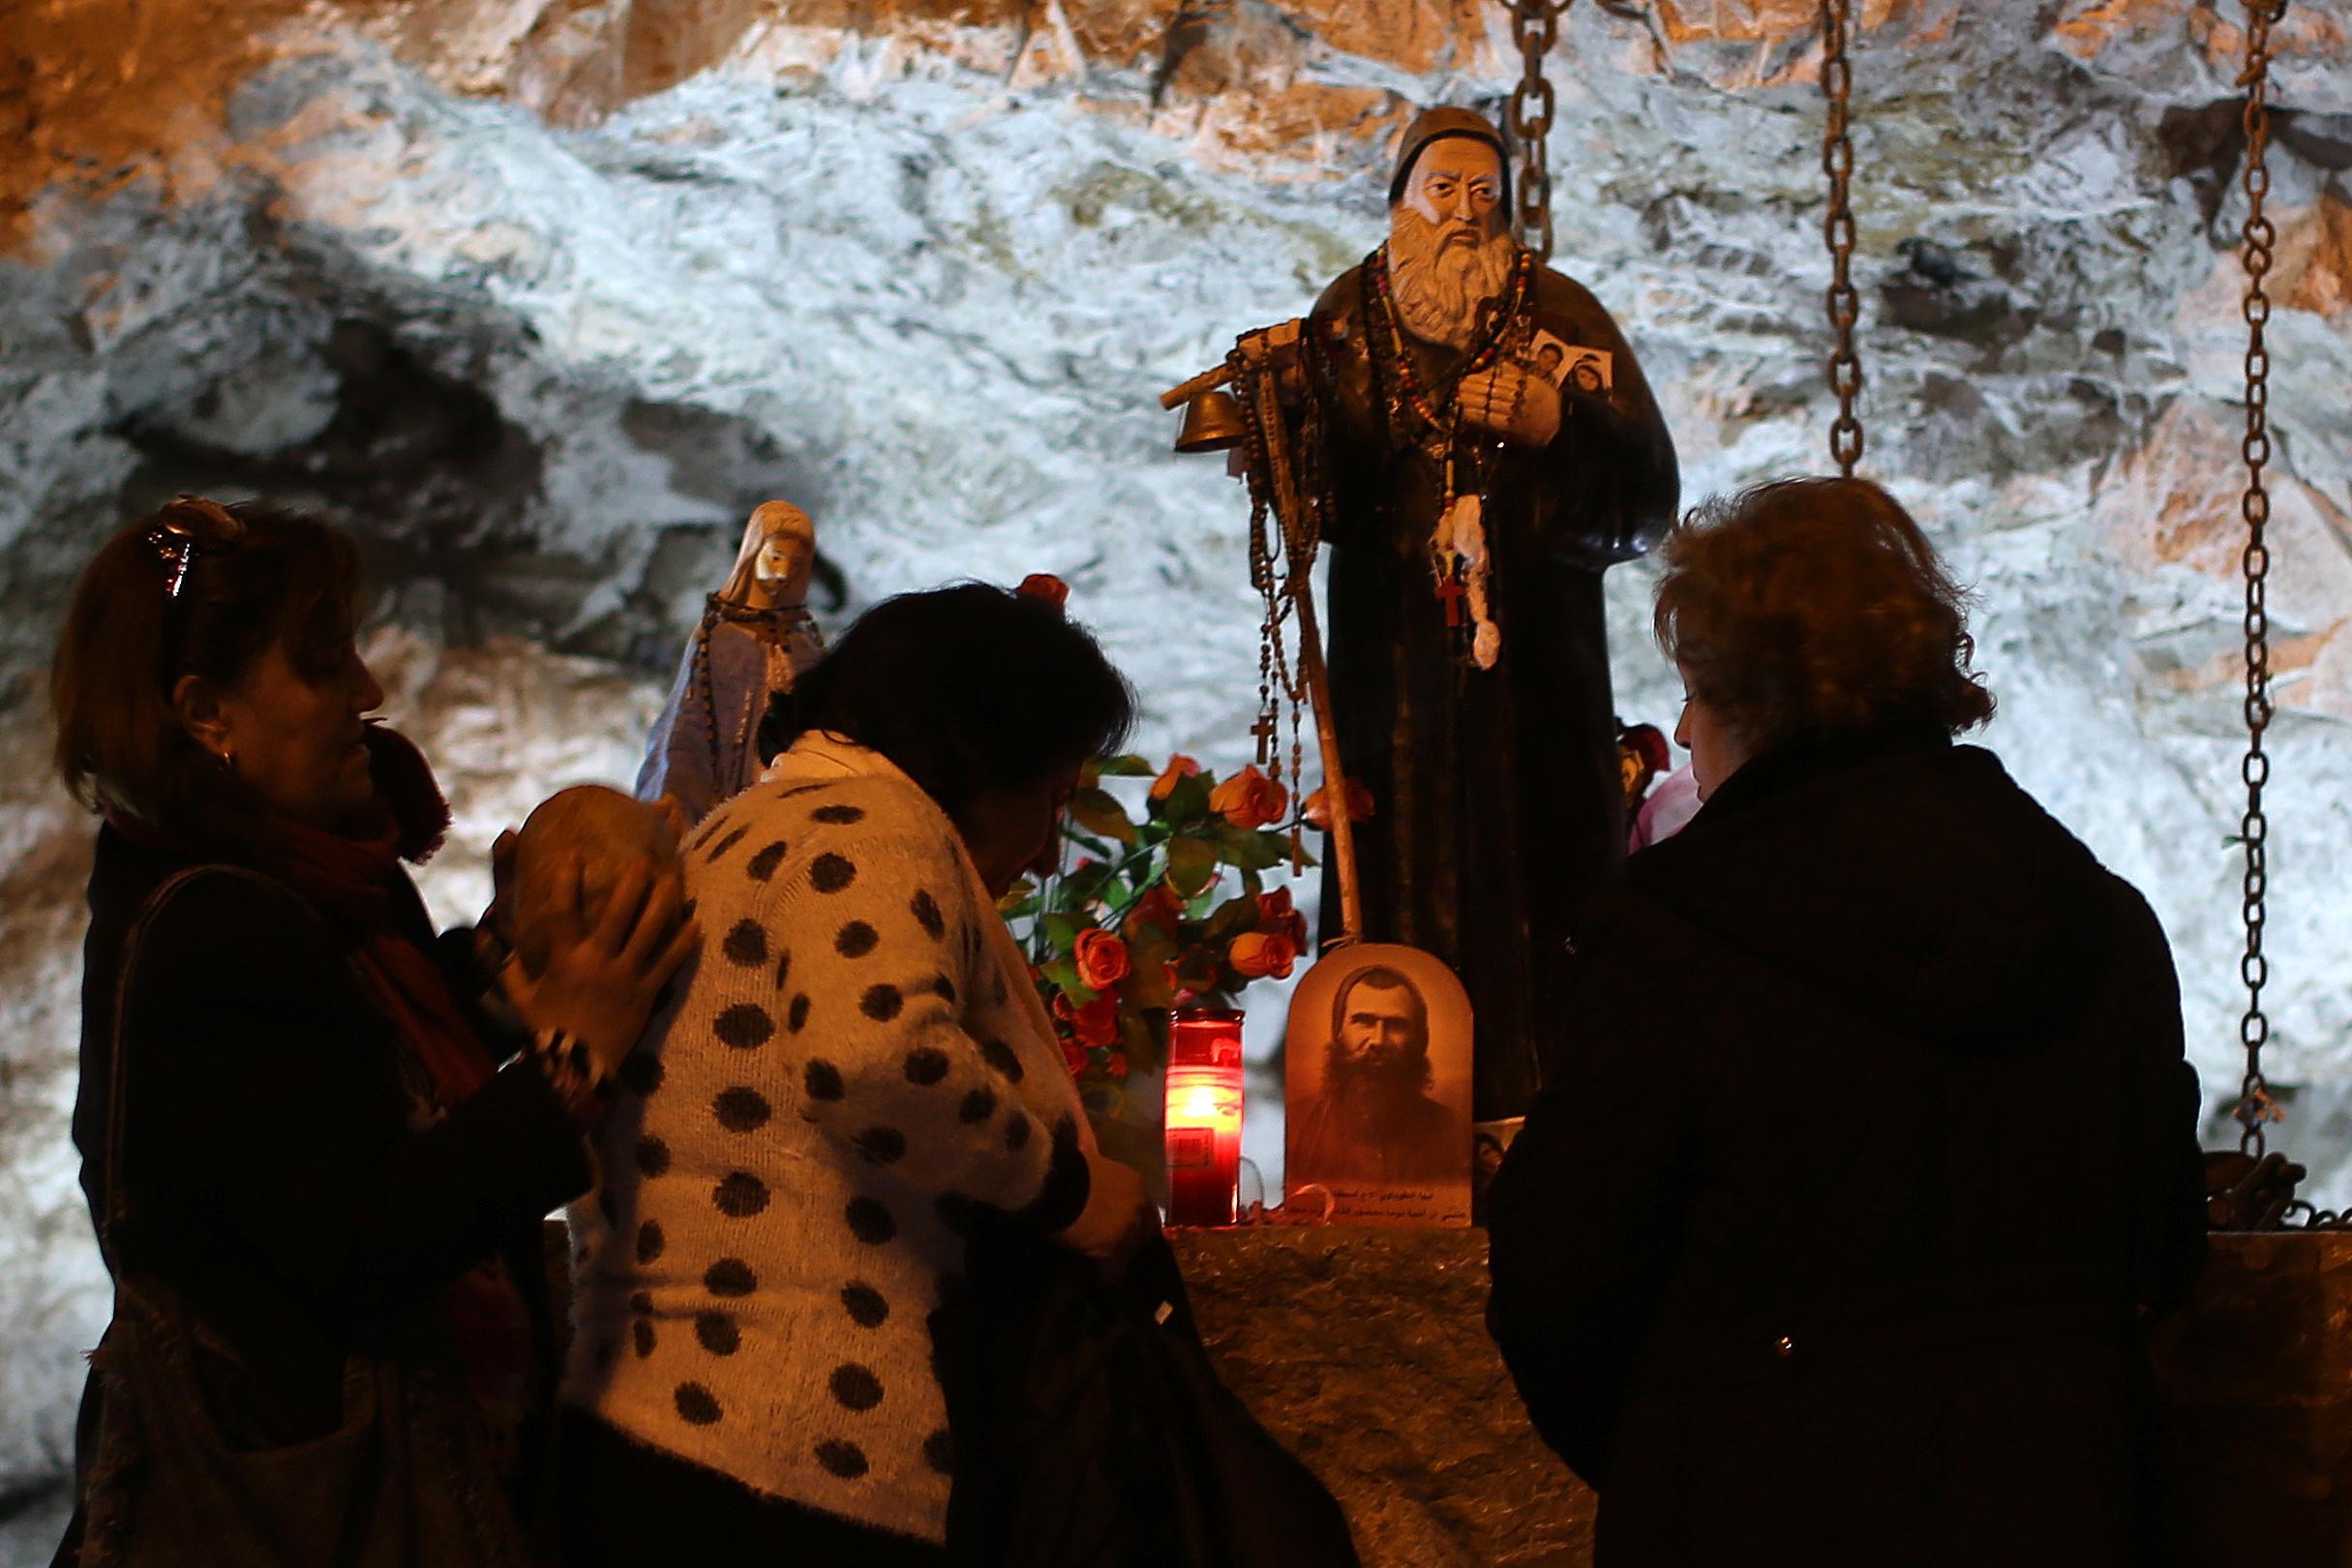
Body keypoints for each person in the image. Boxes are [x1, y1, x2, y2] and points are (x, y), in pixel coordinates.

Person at [1485, 478, 2208, 1568]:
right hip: (2066, 1499)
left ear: (1747, 699)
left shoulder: (1674, 937)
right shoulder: (2101, 917)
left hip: (1761, 1503)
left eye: (1691, 692)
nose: (1679, 731)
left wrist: (1690, 1446)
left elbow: (1557, 1284)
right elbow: (2164, 1245)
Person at [48, 496, 695, 1562]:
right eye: (320, 664)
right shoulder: (207, 931)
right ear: (208, 713)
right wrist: (570, 1057)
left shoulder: (304, 869)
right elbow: (361, 1244)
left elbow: (349, 1058)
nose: (368, 691)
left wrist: (522, 957)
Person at [558, 582, 1161, 1563]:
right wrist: (1067, 1193)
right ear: (978, 754)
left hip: (678, 1434)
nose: (1050, 842)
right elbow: (875, 1059)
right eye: (1049, 796)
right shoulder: (871, 822)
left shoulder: (763, 824)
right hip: (786, 1451)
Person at [1299, 105, 1679, 1123]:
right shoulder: (1347, 320)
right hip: (1396, 671)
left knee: (1544, 871)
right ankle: (1387, 1130)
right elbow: (1316, 488)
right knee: (1397, 866)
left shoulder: (1562, 315)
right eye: (1442, 191)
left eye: (1483, 194)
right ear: (1401, 202)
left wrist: (1563, 423)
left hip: (1538, 667)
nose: (1464, 214)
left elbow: (1648, 498)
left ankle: (1556, 1116)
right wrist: (1278, 452)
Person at [636, 498, 827, 825]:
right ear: (754, 553)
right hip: (728, 788)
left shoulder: (802, 642)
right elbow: (686, 723)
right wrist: (678, 789)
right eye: (776, 557)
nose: (783, 572)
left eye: (795, 564)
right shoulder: (718, 637)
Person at [1287, 965, 1459, 1185]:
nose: (1378, 1040)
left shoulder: (1449, 1131)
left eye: (1396, 1025)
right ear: (1338, 1030)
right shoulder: (1302, 1125)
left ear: (1419, 1039)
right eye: (1364, 1022)